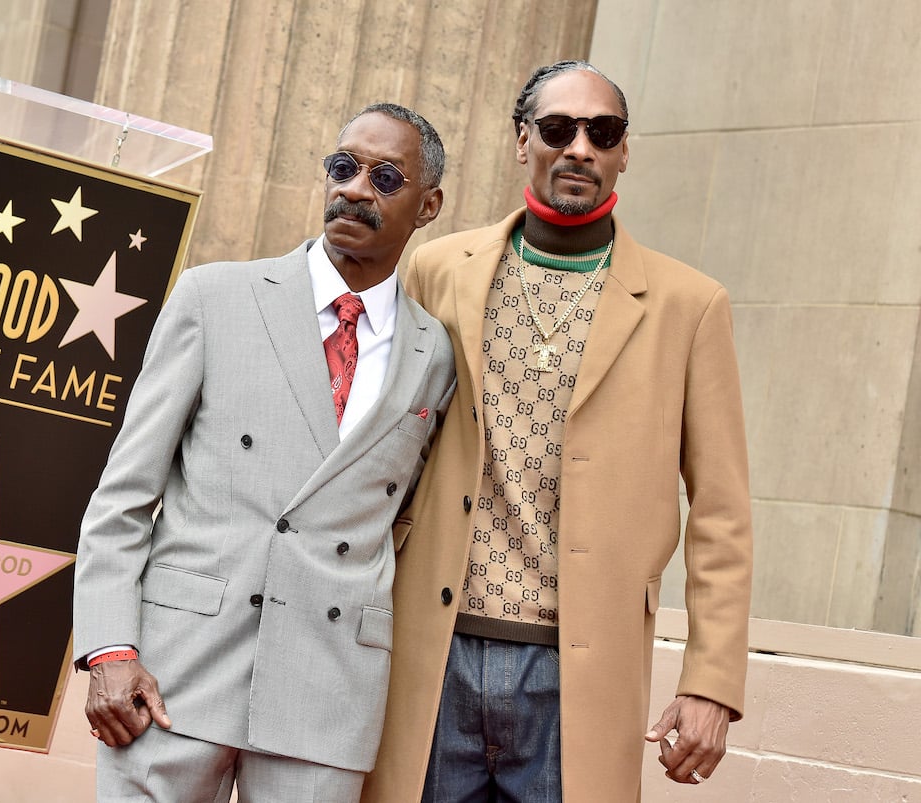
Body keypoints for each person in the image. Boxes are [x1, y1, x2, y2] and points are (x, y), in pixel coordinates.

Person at [360, 61, 753, 803]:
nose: (580, 147)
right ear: (521, 141)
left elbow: (724, 512)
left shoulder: (689, 306)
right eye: (557, 128)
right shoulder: (440, 270)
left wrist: (712, 679)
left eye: (601, 132)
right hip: (430, 653)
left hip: (578, 673)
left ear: (624, 152)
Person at [74, 102, 456, 803]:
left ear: (428, 205)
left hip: (328, 686)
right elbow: (125, 493)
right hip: (174, 675)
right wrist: (109, 647)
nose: (354, 189)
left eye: (385, 177)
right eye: (342, 168)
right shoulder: (217, 297)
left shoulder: (434, 355)